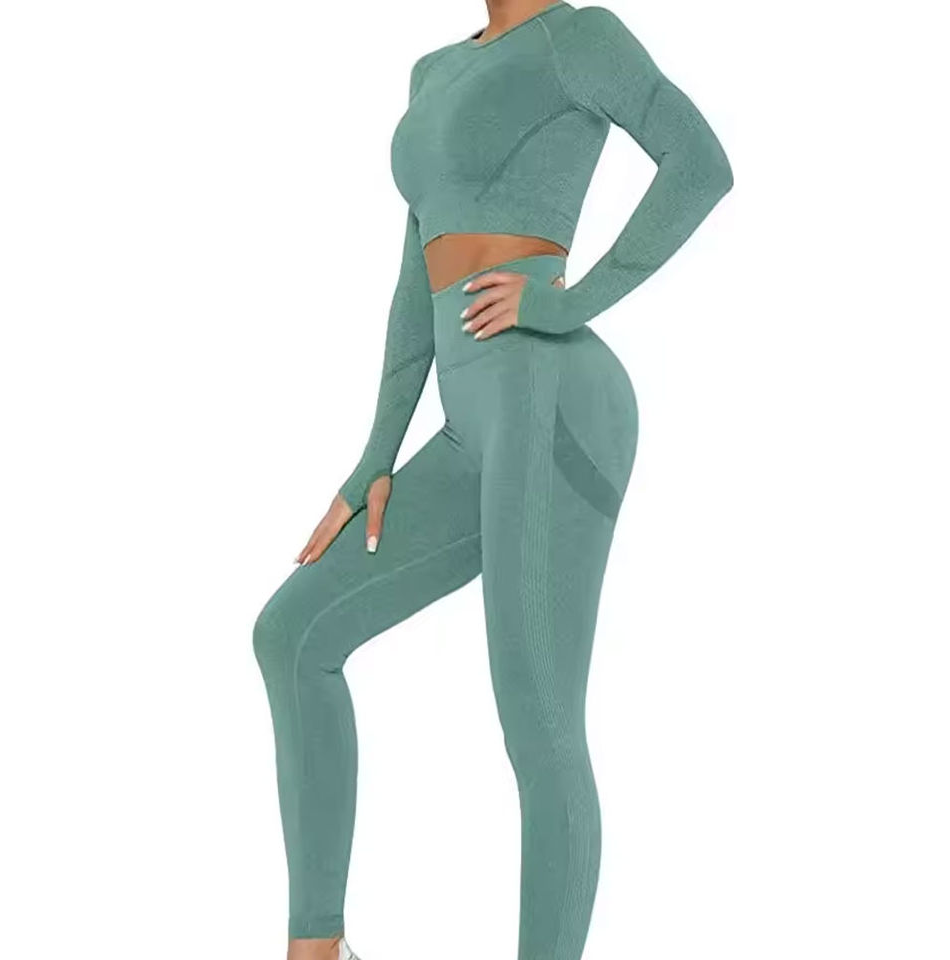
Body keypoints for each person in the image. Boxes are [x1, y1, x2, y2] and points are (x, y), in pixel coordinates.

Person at [253, 2, 732, 958]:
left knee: (537, 716)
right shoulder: (433, 71)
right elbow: (414, 275)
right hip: (467, 418)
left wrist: (571, 301)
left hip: (553, 398)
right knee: (292, 634)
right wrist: (376, 455)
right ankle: (318, 948)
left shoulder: (581, 37)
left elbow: (701, 164)